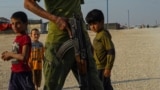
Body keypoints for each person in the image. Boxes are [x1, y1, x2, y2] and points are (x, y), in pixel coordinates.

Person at [24, 0, 104, 90]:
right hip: (58, 42)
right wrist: (55, 19)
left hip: (81, 41)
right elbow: (28, 3)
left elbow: (77, 10)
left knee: (94, 86)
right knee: (52, 86)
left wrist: (87, 40)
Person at [1, 11, 35, 90]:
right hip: (15, 73)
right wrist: (8, 56)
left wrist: (10, 54)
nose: (14, 26)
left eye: (18, 23)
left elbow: (24, 57)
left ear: (25, 24)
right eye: (12, 23)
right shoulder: (17, 38)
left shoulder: (25, 38)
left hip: (23, 73)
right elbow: (17, 55)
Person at [85, 9, 115, 90]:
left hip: (102, 68)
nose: (92, 27)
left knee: (102, 86)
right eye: (90, 24)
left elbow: (111, 51)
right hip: (98, 67)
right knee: (105, 86)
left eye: (94, 23)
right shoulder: (99, 34)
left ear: (101, 22)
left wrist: (108, 68)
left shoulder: (103, 35)